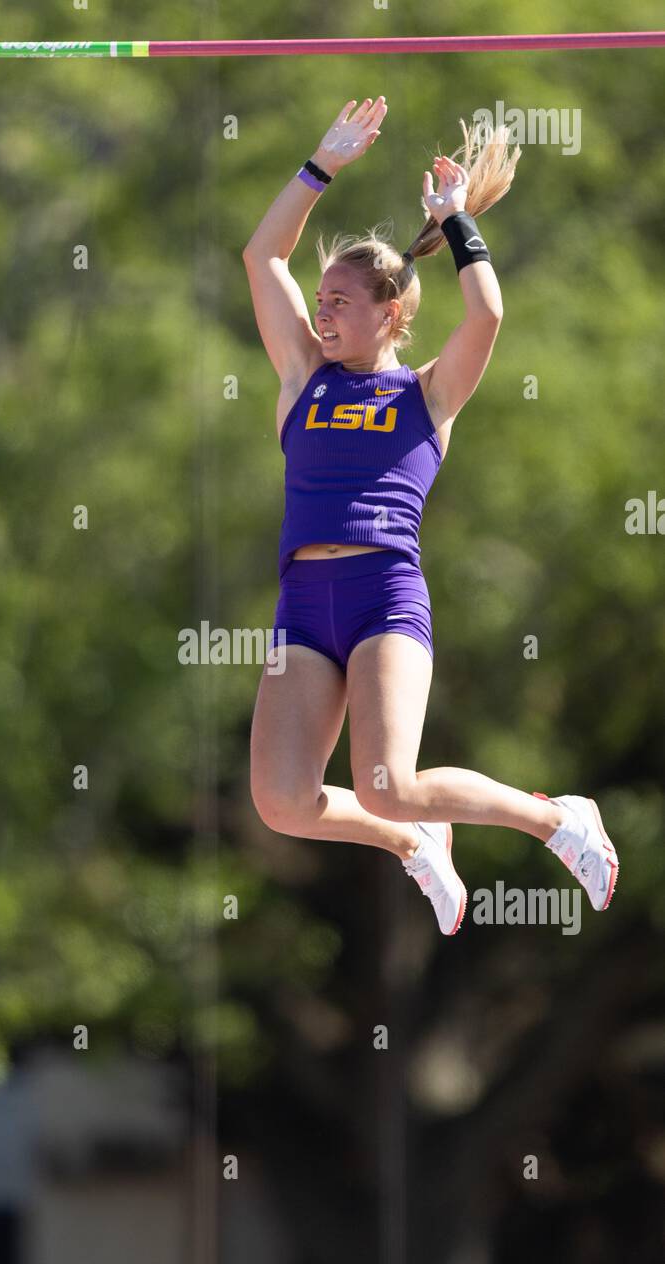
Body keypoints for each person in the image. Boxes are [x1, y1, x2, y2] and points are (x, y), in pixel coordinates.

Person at [243, 96, 618, 934]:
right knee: (281, 802)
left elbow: (486, 314)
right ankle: (415, 843)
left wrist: (454, 222)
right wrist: (319, 166)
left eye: (341, 300)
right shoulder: (304, 374)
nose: (324, 310)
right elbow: (261, 254)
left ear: (392, 314)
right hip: (304, 603)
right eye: (321, 298)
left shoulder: (427, 396)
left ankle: (557, 819)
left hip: (383, 595)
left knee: (387, 780)